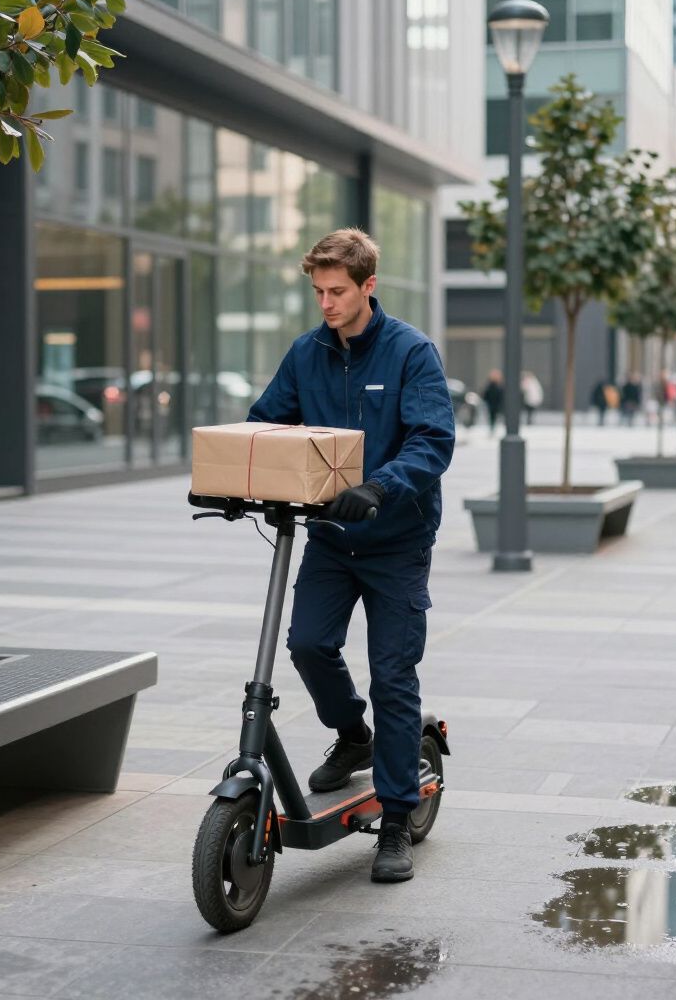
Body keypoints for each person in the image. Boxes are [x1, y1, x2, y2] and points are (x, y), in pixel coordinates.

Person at [247, 228, 455, 884]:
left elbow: (433, 438)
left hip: (397, 540)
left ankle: (395, 819)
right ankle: (352, 735)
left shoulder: (410, 353)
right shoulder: (306, 354)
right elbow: (268, 422)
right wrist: (238, 476)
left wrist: (379, 487)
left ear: (369, 286)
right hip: (331, 537)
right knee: (307, 644)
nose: (326, 303)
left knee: (392, 676)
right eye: (318, 292)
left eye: (337, 291)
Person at [481, 369, 503, 434]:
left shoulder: (494, 385)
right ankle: (492, 428)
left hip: (494, 404)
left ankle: (492, 428)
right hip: (492, 404)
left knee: (493, 417)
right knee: (492, 417)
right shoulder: (492, 385)